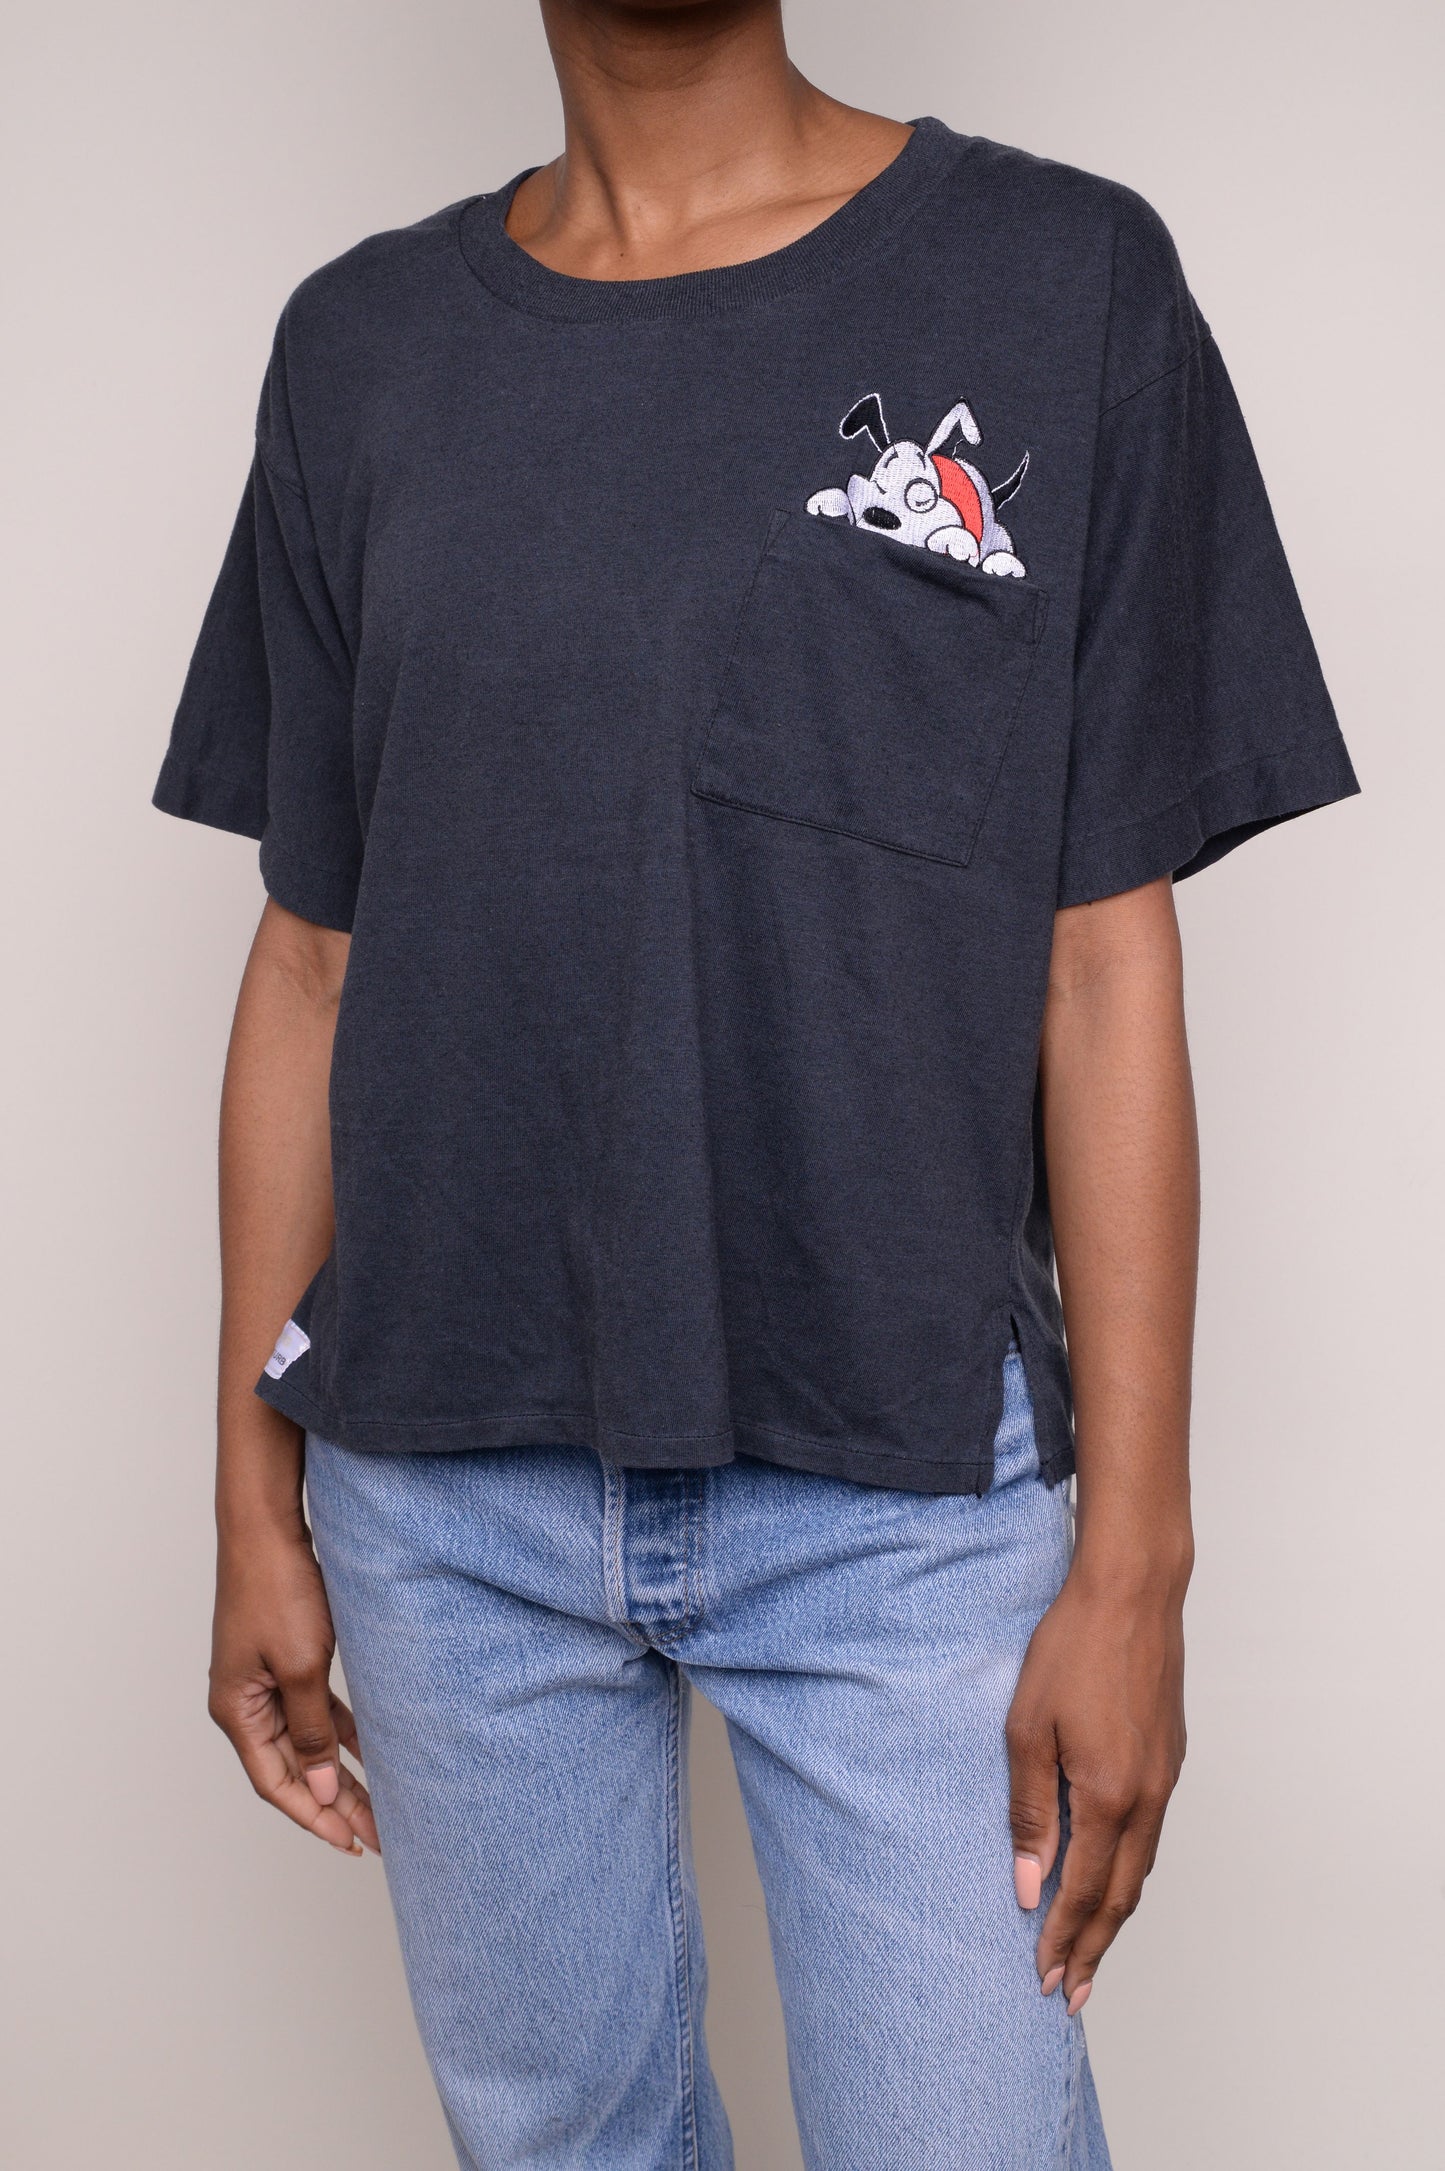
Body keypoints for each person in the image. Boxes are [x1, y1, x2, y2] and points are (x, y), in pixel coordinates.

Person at [152, 2, 1359, 2164]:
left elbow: (1104, 961)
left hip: (902, 1483)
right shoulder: (361, 349)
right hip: (443, 1493)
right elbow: (312, 961)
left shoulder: (1062, 280)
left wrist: (1137, 1562)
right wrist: (252, 1489)